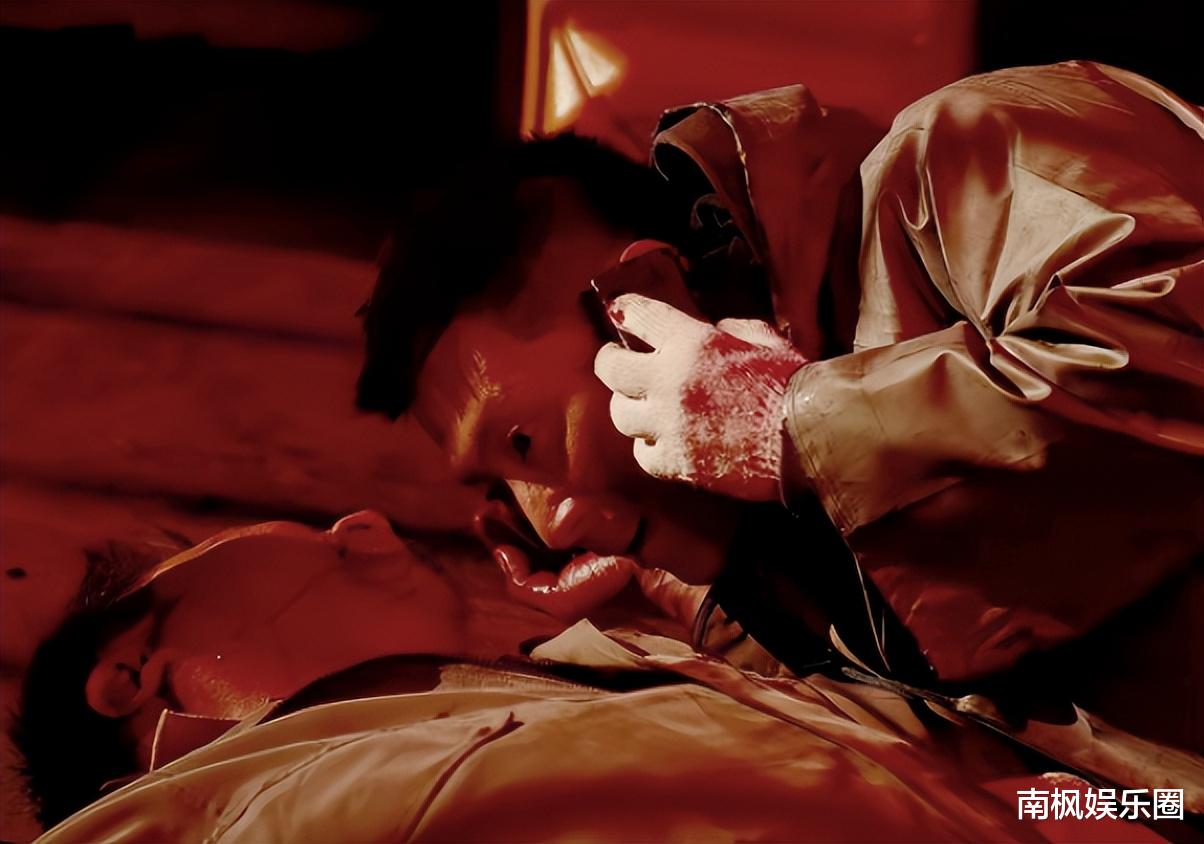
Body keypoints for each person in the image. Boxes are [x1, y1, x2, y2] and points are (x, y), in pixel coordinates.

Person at [356, 61, 1204, 754]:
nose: (556, 523)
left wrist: (792, 427)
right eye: (502, 492)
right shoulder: (774, 534)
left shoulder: (962, 153)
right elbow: (1006, 759)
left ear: (646, 296)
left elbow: (1171, 367)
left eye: (525, 444)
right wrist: (724, 585)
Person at [16, 514, 1110, 843]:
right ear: (131, 678)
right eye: (200, 549)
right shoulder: (326, 819)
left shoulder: (576, 683)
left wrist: (712, 605)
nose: (357, 521)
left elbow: (1002, 794)